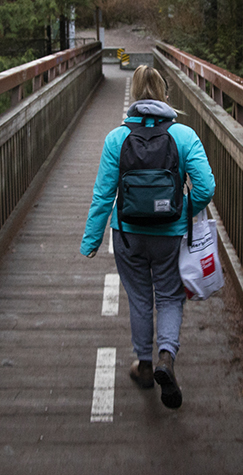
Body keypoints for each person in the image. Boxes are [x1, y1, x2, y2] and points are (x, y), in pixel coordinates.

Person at [80, 65, 215, 409]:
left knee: (140, 298)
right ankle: (166, 357)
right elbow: (206, 187)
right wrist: (184, 211)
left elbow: (103, 194)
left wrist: (91, 240)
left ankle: (143, 365)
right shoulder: (183, 136)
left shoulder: (117, 138)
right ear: (164, 94)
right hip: (170, 236)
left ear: (135, 96)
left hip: (128, 235)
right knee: (169, 297)